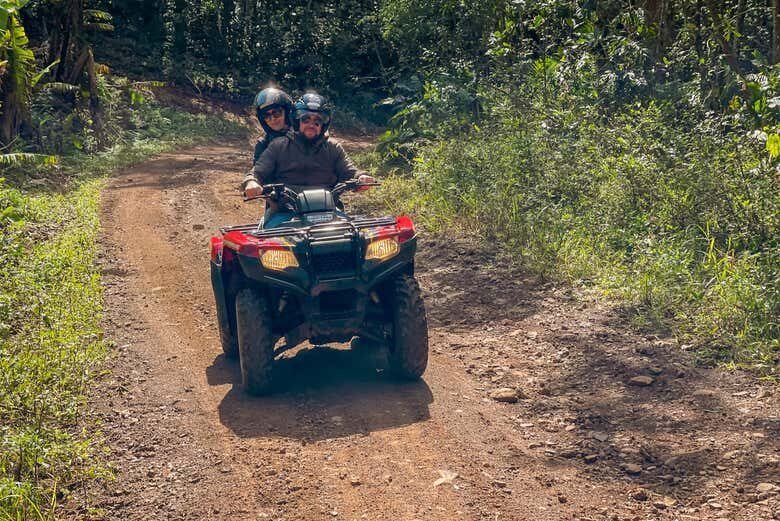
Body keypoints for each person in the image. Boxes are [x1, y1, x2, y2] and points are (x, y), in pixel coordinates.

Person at [242, 92, 374, 227]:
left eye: (317, 121)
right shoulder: (278, 145)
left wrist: (362, 177)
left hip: (330, 211)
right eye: (306, 119)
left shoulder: (333, 147)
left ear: (323, 125)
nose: (311, 124)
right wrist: (251, 182)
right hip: (283, 212)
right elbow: (257, 171)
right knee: (263, 244)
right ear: (297, 121)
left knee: (357, 241)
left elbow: (350, 170)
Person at [251, 86, 293, 165]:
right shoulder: (263, 144)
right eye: (266, 115)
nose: (272, 119)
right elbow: (258, 172)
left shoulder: (302, 136)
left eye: (276, 113)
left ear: (287, 113)